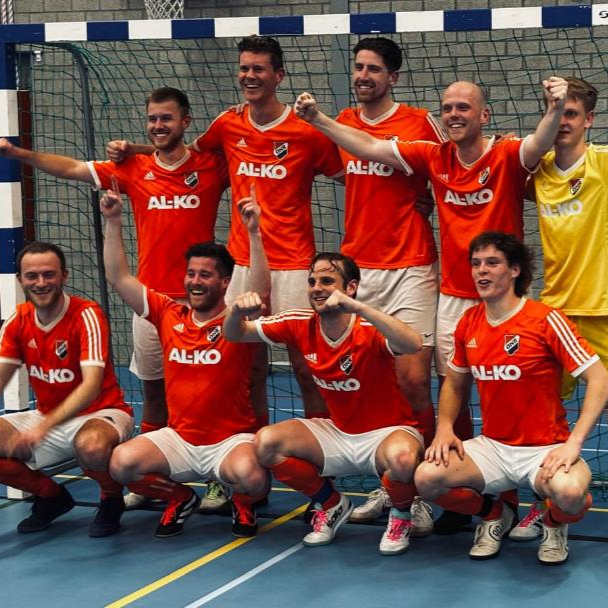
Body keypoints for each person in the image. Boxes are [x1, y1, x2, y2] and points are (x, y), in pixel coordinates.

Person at [294, 75, 568, 533]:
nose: (454, 114)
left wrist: (555, 108)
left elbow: (540, 143)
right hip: (454, 297)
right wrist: (319, 119)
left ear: (484, 115)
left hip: (505, 300)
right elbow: (370, 147)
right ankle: (473, 490)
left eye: (464, 107)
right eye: (448, 108)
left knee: (514, 392)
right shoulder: (433, 155)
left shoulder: (505, 154)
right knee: (452, 389)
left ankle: (533, 494)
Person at [0, 87, 232, 510]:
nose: (158, 125)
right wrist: (18, 154)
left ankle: (220, 478)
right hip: (149, 302)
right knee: (154, 392)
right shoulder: (133, 169)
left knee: (212, 395)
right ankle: (151, 476)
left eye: (166, 118)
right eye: (152, 119)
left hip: (204, 303)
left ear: (186, 121)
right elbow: (72, 168)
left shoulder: (211, 165)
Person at [109, 36, 344, 422]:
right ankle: (250, 438)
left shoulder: (306, 132)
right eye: (244, 68)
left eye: (258, 69)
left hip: (293, 263)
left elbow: (352, 176)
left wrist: (412, 196)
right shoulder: (227, 124)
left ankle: (319, 444)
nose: (249, 75)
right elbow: (185, 154)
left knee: (306, 367)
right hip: (242, 264)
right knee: (247, 365)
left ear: (279, 75)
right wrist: (135, 150)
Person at [414, 231, 608, 564]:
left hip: (544, 449)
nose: (481, 270)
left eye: (492, 263)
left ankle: (553, 522)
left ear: (515, 270)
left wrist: (574, 443)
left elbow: (599, 378)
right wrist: (444, 428)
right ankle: (494, 515)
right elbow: (455, 383)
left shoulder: (545, 320)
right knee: (426, 478)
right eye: (476, 263)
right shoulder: (468, 322)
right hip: (493, 448)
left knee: (571, 493)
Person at [225, 252, 426, 555]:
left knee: (403, 459)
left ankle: (400, 516)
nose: (317, 288)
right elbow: (235, 334)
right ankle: (331, 503)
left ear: (351, 287)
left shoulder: (369, 326)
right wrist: (235, 311)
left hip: (387, 434)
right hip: (337, 432)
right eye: (312, 281)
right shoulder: (298, 322)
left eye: (327, 281)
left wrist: (358, 308)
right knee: (266, 443)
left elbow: (414, 343)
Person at [102, 179, 271, 538]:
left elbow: (258, 291)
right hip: (179, 440)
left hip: (228, 442)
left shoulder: (236, 322)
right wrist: (113, 221)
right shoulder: (168, 313)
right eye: (191, 273)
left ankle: (242, 502)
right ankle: (180, 498)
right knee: (120, 464)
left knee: (254, 478)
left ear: (225, 282)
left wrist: (254, 233)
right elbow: (118, 277)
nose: (195, 281)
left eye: (205, 275)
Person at [337, 37, 444, 532]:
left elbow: (453, 167)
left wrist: (429, 200)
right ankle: (395, 483)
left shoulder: (420, 122)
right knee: (377, 384)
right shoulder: (342, 121)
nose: (364, 76)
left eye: (374, 69)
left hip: (411, 266)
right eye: (358, 67)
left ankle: (426, 484)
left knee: (414, 379)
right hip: (359, 268)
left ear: (393, 78)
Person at [509, 76, 608, 541]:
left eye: (572, 114)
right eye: (558, 112)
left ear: (589, 120)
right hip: (557, 310)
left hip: (604, 307)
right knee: (546, 415)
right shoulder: (538, 172)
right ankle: (547, 502)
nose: (564, 121)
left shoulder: (603, 162)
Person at [0, 242, 134, 537]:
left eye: (49, 274)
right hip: (46, 416)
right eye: (32, 276)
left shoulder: (86, 315)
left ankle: (111, 499)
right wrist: (43, 424)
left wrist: (43, 428)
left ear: (64, 276)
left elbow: (91, 386)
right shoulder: (18, 319)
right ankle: (51, 497)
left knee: (92, 446)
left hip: (101, 413)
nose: (41, 283)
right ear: (20, 279)